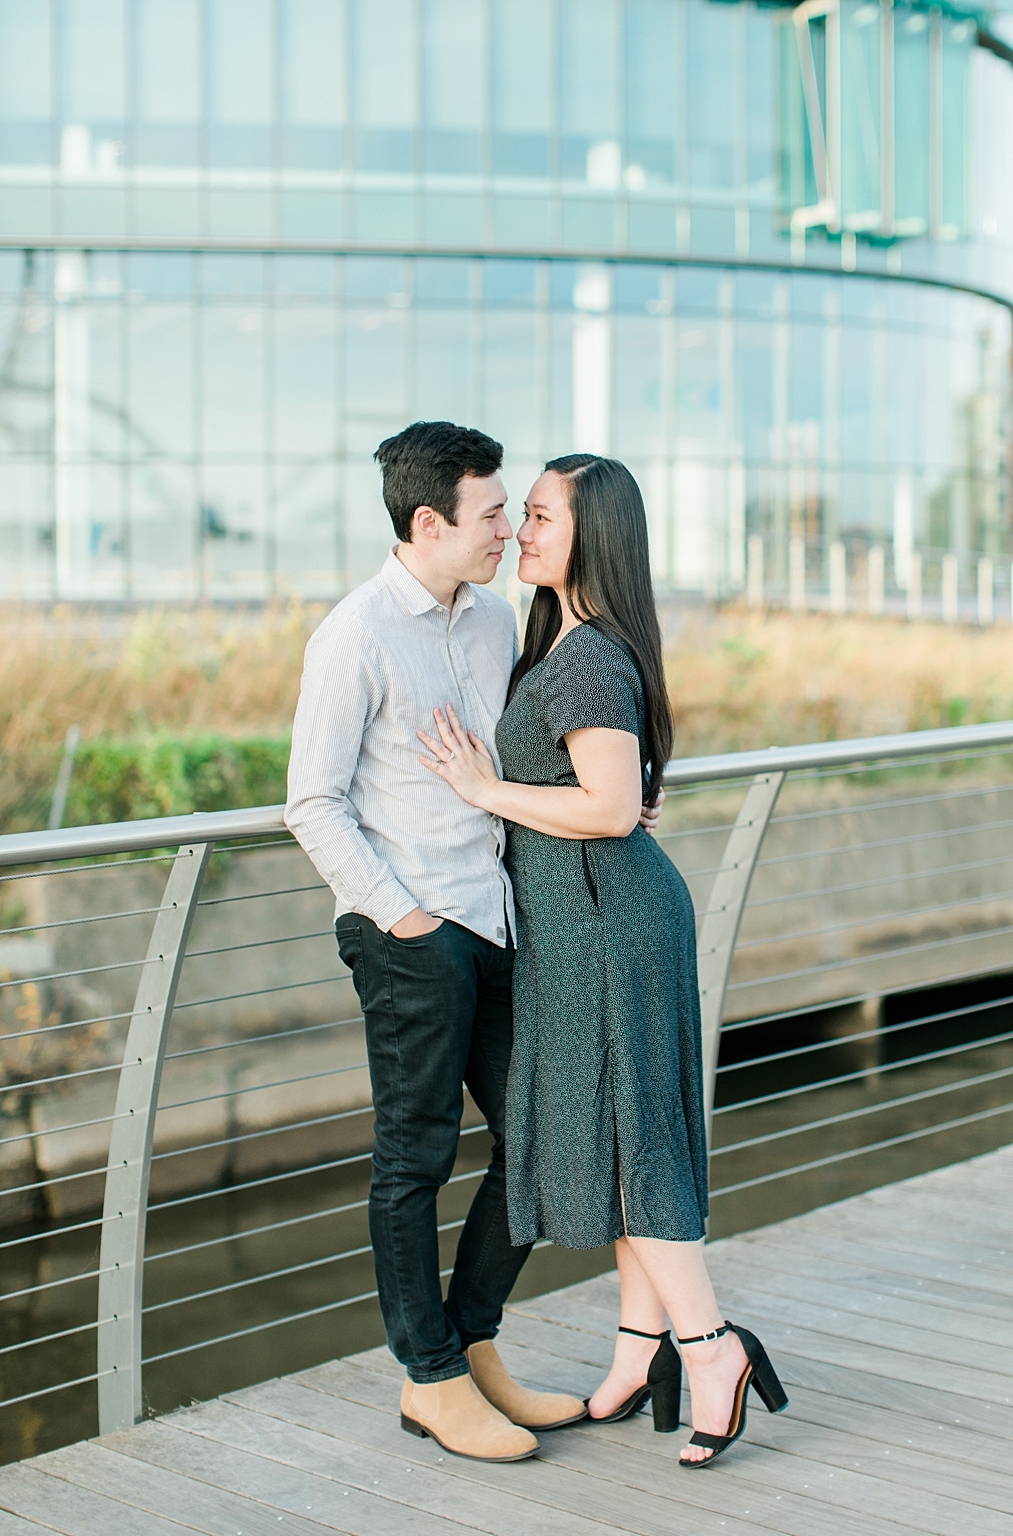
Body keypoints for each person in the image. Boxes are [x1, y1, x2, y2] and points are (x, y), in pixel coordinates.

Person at [418, 454, 788, 1468]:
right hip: (593, 923)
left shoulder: (583, 659)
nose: (520, 533)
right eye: (520, 515)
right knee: (628, 1143)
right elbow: (611, 796)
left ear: (595, 536)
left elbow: (612, 809)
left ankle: (709, 1351)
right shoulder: (572, 646)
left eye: (539, 517)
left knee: (633, 1149)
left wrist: (482, 790)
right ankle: (638, 1352)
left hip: (604, 928)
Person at [286, 421, 603, 1465]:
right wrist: (399, 911)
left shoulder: (492, 618)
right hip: (412, 932)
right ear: (428, 522)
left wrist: (609, 799)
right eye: (491, 514)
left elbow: (507, 760)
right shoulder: (355, 635)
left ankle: (474, 1348)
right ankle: (428, 1379)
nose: (507, 530)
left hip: (498, 918)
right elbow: (312, 802)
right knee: (413, 1159)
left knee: (538, 1133)